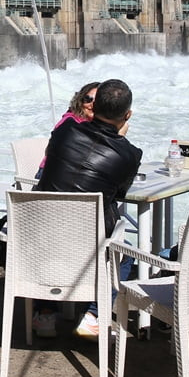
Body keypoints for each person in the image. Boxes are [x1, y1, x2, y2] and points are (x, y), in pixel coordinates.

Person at [33, 78, 142, 338]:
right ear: (127, 115)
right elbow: (118, 194)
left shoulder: (65, 128)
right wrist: (119, 137)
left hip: (37, 237)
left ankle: (45, 314)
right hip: (87, 247)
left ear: (94, 107)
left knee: (56, 239)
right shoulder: (130, 154)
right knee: (125, 256)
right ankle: (93, 314)